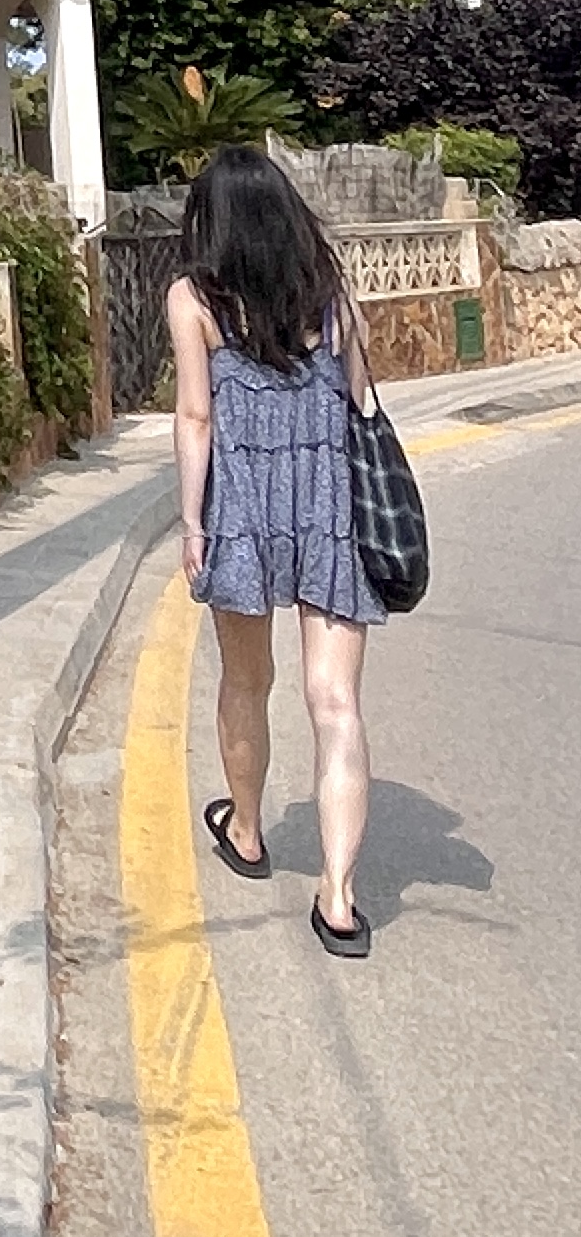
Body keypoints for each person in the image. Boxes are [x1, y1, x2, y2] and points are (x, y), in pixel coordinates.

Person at [165, 144, 379, 957]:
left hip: (244, 508)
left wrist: (193, 523)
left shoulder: (194, 299)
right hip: (329, 506)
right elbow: (359, 399)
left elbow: (196, 417)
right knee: (336, 704)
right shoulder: (331, 290)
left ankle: (248, 830)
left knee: (246, 680)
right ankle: (339, 897)